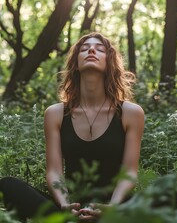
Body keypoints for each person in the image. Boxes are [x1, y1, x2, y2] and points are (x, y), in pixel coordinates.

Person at [0, 32, 144, 222]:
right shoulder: (55, 113)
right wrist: (65, 206)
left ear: (110, 63)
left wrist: (113, 209)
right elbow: (54, 171)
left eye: (100, 49)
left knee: (172, 188)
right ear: (75, 63)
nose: (91, 49)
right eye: (84, 49)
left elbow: (130, 172)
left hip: (114, 209)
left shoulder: (131, 113)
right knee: (8, 184)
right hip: (70, 209)